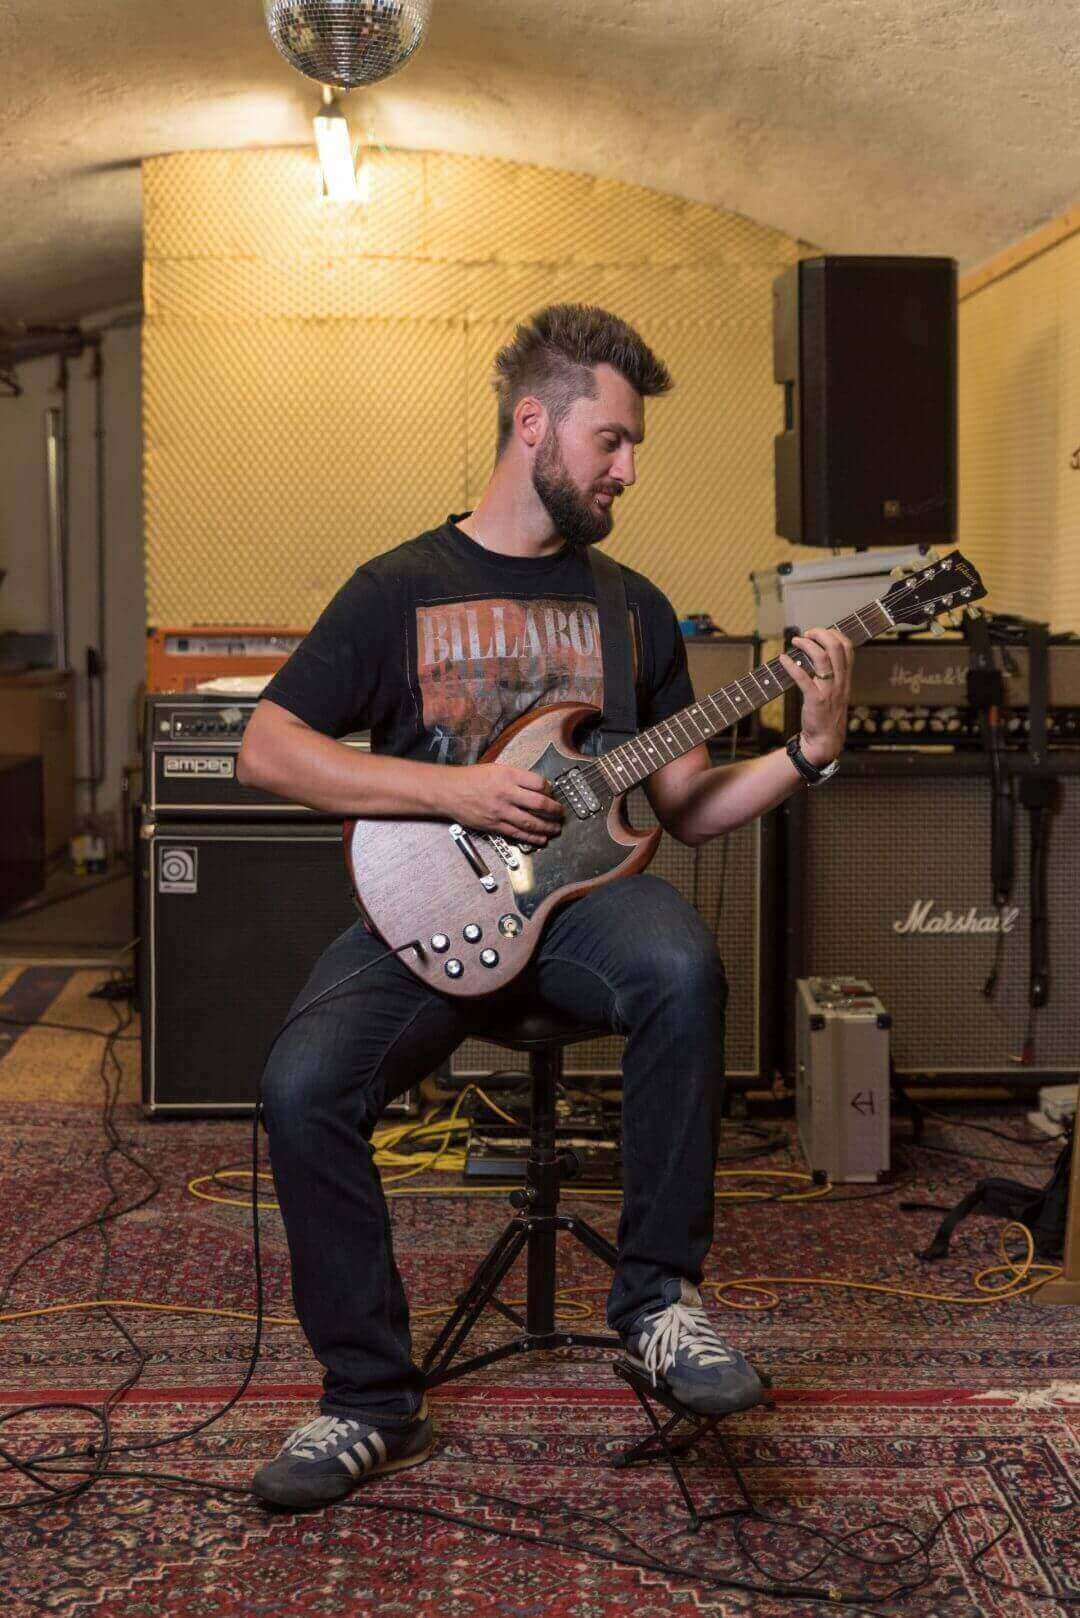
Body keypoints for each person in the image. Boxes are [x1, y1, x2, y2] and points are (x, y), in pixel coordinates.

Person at [237, 303, 854, 1510]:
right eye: (611, 442)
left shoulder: (631, 605)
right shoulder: (400, 585)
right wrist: (455, 784)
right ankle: (367, 1399)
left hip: (576, 915)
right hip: (421, 914)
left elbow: (686, 803)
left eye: (632, 449)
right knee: (302, 1086)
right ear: (535, 425)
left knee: (681, 968)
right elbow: (266, 749)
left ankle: (658, 1304)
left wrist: (810, 751)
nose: (627, 469)